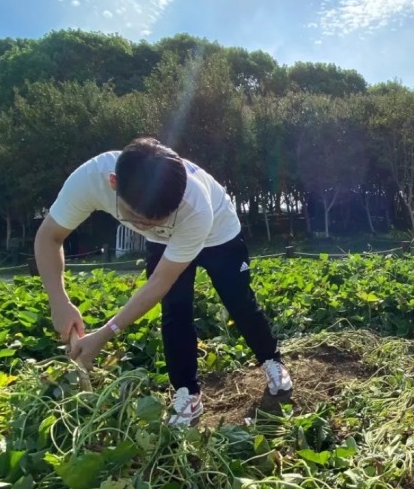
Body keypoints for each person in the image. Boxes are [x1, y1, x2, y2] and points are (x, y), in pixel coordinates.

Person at [34, 138, 292, 427]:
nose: (144, 226)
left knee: (238, 301)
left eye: (156, 219)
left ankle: (272, 360)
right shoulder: (89, 180)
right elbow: (49, 236)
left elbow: (160, 282)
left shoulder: (196, 207)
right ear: (113, 183)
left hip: (218, 234)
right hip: (165, 241)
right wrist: (58, 301)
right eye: (137, 219)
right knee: (175, 310)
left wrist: (104, 334)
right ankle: (187, 392)